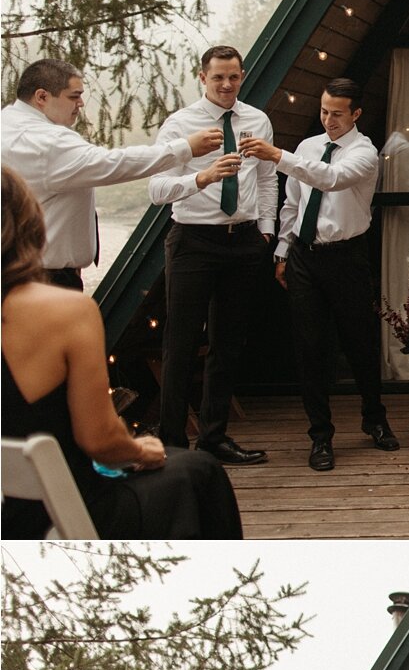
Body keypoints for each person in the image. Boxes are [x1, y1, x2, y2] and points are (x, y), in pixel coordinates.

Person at [2, 168, 242, 539]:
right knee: (198, 471)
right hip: (59, 516)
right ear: (26, 222)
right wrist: (140, 450)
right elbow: (100, 442)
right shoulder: (66, 312)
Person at [245, 78, 399, 473]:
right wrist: (282, 251)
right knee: (310, 348)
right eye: (324, 111)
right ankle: (320, 436)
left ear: (356, 114)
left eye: (337, 114)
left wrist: (276, 155)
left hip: (346, 257)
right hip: (303, 258)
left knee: (359, 342)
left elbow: (330, 179)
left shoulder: (364, 153)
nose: (328, 120)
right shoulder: (308, 148)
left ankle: (374, 418)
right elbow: (292, 203)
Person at [150, 45, 276, 465]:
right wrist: (201, 177)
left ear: (242, 77)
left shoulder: (257, 120)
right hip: (192, 241)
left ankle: (213, 439)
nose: (226, 85)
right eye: (218, 77)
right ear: (202, 77)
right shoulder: (179, 125)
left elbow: (268, 179)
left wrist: (266, 230)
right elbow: (156, 191)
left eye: (234, 77)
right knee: (180, 344)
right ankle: (172, 444)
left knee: (227, 345)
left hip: (242, 242)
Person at [0, 57, 213, 289]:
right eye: (74, 96)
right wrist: (185, 148)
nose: (81, 103)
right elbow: (113, 164)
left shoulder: (7, 123)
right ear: (42, 97)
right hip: (47, 279)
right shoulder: (49, 142)